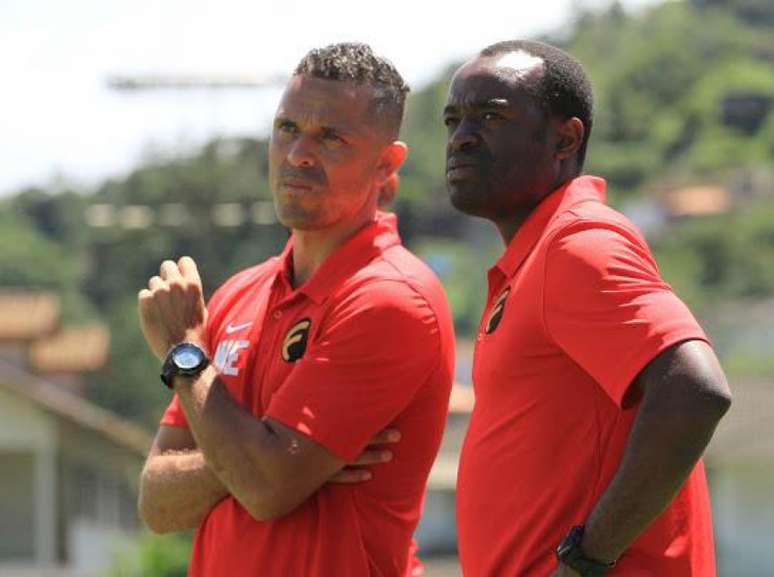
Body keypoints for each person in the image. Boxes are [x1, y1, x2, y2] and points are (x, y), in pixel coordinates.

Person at [136, 42, 455, 577]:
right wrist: (264, 451)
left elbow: (264, 489)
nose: (299, 153)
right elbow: (156, 502)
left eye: (331, 137)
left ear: (387, 163)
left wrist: (186, 356)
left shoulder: (392, 299)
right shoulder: (239, 292)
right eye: (287, 128)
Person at [443, 40, 732, 577]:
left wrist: (585, 561)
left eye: (490, 116)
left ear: (565, 138)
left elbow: (693, 388)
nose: (461, 138)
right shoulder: (535, 258)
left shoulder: (576, 244)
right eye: (453, 119)